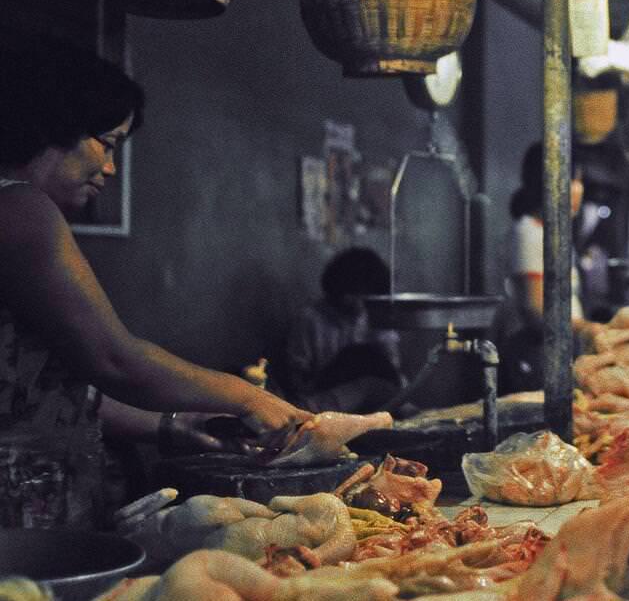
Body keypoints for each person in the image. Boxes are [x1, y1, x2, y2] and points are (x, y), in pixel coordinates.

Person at [0, 43, 309, 528]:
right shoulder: (21, 210)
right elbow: (112, 359)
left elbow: (53, 388)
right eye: (108, 141)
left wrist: (174, 425)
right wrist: (246, 396)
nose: (111, 168)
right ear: (57, 124)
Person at [499, 141, 585, 393]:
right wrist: (588, 330)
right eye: (574, 180)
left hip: (556, 350)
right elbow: (534, 310)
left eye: (578, 181)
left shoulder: (552, 234)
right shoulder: (528, 232)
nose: (579, 189)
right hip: (532, 354)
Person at [284, 246, 403, 414]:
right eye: (354, 294)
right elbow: (298, 376)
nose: (358, 302)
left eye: (365, 295)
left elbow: (393, 369)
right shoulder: (311, 319)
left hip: (376, 395)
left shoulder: (374, 317)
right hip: (330, 395)